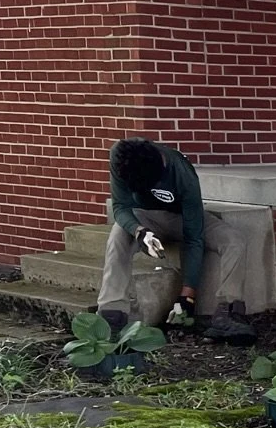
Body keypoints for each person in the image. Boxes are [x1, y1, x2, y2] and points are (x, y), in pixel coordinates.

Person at [100, 138, 256, 344]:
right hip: (144, 217)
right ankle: (112, 316)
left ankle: (227, 312)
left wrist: (187, 298)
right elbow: (120, 207)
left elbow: (194, 238)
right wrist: (140, 231)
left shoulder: (182, 174)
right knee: (118, 235)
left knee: (234, 241)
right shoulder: (122, 158)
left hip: (182, 217)